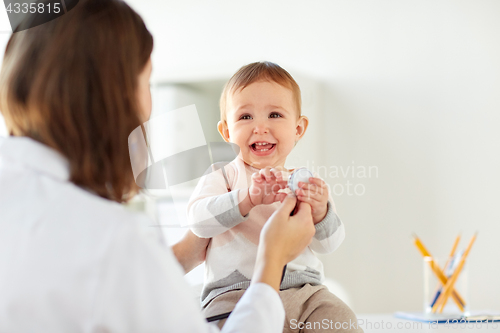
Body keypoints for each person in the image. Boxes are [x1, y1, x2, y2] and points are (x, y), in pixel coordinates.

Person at [0, 1, 317, 332]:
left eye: (275, 114)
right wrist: (273, 259)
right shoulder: (115, 239)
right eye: (147, 82)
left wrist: (186, 252)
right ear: (115, 96)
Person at [187, 62, 363, 332]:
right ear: (226, 132)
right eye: (245, 117)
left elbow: (330, 244)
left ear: (298, 129)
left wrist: (321, 213)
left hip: (305, 292)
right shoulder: (222, 176)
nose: (260, 127)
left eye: (275, 115)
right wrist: (247, 199)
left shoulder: (306, 183)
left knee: (341, 318)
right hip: (235, 293)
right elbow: (198, 221)